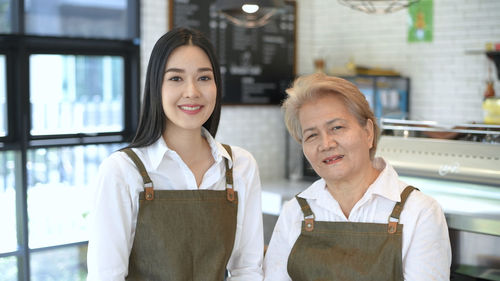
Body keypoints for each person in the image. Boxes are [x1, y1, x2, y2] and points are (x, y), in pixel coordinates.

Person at [87, 27, 264, 280]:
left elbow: (247, 270)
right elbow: (106, 276)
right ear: (155, 86)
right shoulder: (122, 171)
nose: (192, 91)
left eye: (204, 78)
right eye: (176, 78)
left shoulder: (240, 166)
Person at [263, 73, 451, 281]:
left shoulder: (420, 212)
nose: (326, 144)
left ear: (368, 132)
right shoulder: (295, 212)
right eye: (312, 135)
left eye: (337, 127)